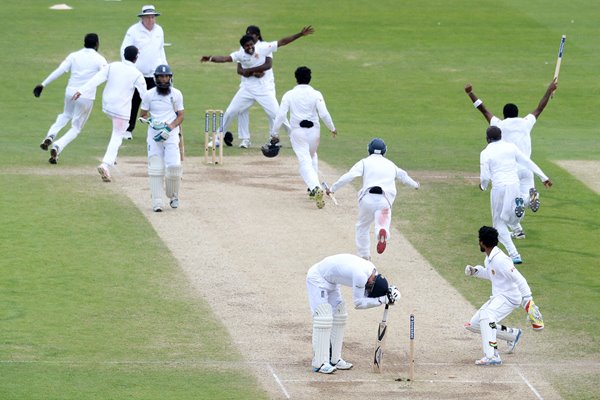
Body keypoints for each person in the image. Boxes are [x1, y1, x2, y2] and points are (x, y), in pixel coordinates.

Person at [465, 79, 558, 239]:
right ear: (517, 112)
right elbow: (539, 108)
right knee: (523, 200)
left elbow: (483, 110)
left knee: (509, 207)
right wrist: (549, 90)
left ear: (505, 114)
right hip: (527, 168)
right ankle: (524, 215)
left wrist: (470, 93)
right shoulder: (525, 122)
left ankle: (518, 221)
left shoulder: (499, 124)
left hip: (510, 171)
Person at [200, 26, 313, 148]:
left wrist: (300, 34)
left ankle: (295, 138)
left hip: (263, 89)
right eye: (247, 46)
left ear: (254, 43)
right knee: (230, 111)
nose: (250, 48)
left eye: (251, 45)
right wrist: (211, 58)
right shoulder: (240, 54)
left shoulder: (263, 48)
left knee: (277, 115)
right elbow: (225, 58)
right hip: (247, 89)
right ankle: (218, 138)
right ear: (243, 48)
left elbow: (282, 42)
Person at [306, 253, 400, 374]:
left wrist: (387, 293)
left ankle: (334, 359)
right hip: (317, 278)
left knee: (340, 314)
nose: (367, 290)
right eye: (369, 288)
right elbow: (359, 303)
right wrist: (382, 300)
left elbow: (370, 293)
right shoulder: (361, 275)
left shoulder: (372, 272)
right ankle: (319, 362)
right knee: (323, 316)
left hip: (332, 282)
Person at [326, 138, 419, 259]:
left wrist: (333, 188)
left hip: (367, 199)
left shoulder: (364, 162)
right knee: (381, 224)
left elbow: (349, 176)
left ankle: (364, 256)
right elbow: (404, 176)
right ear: (384, 151)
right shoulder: (391, 165)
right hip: (384, 201)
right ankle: (382, 232)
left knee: (362, 227)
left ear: (369, 150)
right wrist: (415, 185)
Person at [464, 226, 544, 365]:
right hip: (499, 296)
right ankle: (512, 335)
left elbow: (520, 279)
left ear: (482, 242)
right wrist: (476, 271)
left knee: (487, 315)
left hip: (509, 298)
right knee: (474, 324)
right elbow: (493, 274)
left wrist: (529, 301)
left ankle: (492, 356)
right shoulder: (490, 258)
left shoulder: (500, 259)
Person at [72, 46, 147, 182]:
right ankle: (106, 164)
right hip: (121, 110)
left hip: (107, 106)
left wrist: (80, 90)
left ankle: (112, 158)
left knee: (118, 134)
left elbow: (97, 79)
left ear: (124, 54)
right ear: (136, 58)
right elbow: (145, 95)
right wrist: (150, 110)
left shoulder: (113, 66)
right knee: (117, 136)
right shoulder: (137, 74)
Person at [479, 126, 552, 264]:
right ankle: (526, 201)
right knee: (510, 218)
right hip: (514, 185)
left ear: (487, 139)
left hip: (499, 187)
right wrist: (543, 177)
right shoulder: (510, 147)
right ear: (501, 136)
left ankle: (514, 254)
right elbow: (527, 162)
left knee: (499, 223)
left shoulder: (485, 152)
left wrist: (483, 186)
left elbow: (485, 176)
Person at [233, 25, 314, 147]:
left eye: (252, 34)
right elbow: (239, 68)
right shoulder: (245, 46)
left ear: (258, 35)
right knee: (241, 110)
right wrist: (251, 73)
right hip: (247, 86)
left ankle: (278, 139)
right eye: (247, 34)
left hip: (265, 86)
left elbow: (268, 64)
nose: (249, 36)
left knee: (274, 113)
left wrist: (300, 34)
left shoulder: (265, 47)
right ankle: (245, 139)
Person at [34, 33, 107, 164]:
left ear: (84, 42)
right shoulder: (100, 59)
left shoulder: (74, 55)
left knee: (65, 115)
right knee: (76, 128)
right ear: (97, 44)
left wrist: (43, 84)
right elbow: (105, 75)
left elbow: (60, 70)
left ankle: (50, 136)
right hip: (86, 96)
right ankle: (57, 146)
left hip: (70, 93)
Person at [271, 66, 337, 209]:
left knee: (304, 162)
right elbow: (324, 114)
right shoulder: (316, 94)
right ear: (309, 78)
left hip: (298, 132)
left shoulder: (289, 94)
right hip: (314, 131)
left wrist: (274, 132)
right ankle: (312, 189)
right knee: (312, 156)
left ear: (296, 79)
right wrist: (332, 128)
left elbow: (281, 115)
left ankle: (315, 187)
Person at [139, 65, 184, 212]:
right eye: (161, 77)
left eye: (166, 77)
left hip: (170, 135)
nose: (164, 80)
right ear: (156, 78)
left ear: (170, 77)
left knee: (173, 168)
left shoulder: (176, 94)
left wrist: (169, 128)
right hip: (154, 135)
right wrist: (150, 121)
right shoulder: (149, 95)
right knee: (156, 168)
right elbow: (143, 114)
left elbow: (181, 115)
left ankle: (173, 195)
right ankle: (157, 201)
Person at [121, 4, 167, 139]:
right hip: (137, 73)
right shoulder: (133, 31)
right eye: (148, 18)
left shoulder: (159, 30)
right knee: (134, 101)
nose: (151, 20)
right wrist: (129, 69)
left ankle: (158, 129)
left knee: (157, 101)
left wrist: (165, 67)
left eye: (153, 17)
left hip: (154, 74)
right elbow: (124, 50)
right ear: (142, 18)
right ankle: (127, 129)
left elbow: (161, 50)